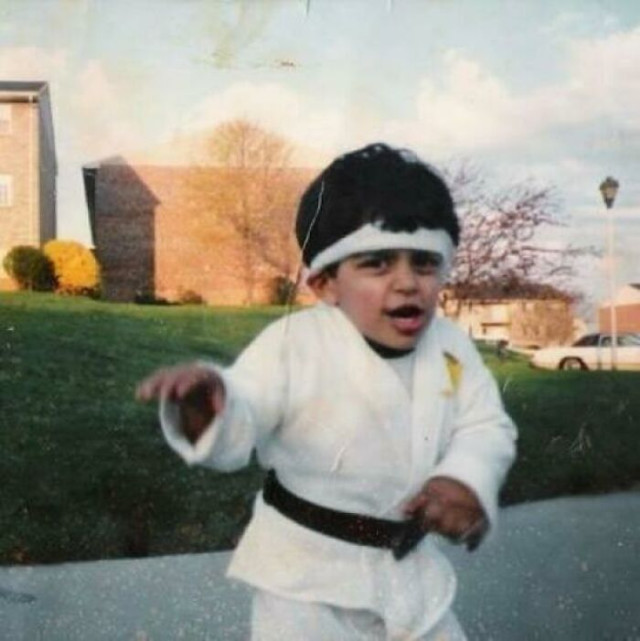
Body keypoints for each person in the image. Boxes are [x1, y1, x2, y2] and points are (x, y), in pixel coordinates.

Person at [136, 143, 517, 640]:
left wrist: (464, 479)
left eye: (425, 264)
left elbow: (485, 425)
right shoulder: (296, 344)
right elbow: (248, 402)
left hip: (408, 575)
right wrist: (211, 407)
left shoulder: (451, 348)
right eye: (378, 264)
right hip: (306, 583)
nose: (407, 283)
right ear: (325, 284)